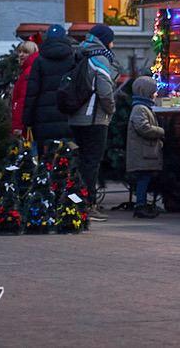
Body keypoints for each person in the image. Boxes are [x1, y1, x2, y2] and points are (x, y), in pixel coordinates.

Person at [70, 23, 120, 222]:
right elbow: (105, 91)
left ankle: (74, 202)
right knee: (91, 162)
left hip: (75, 117)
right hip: (94, 119)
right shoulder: (99, 58)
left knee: (80, 161)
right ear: (106, 40)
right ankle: (88, 204)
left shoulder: (80, 54)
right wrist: (111, 109)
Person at [22, 25, 77, 148]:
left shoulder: (39, 61)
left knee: (45, 157)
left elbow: (32, 93)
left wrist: (27, 121)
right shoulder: (73, 59)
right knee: (67, 156)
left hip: (42, 120)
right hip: (67, 117)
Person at [125, 75, 165, 219]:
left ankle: (142, 204)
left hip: (145, 152)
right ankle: (140, 205)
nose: (156, 94)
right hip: (143, 152)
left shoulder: (143, 107)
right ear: (147, 92)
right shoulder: (140, 108)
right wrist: (160, 131)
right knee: (143, 179)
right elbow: (143, 128)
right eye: (154, 91)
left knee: (145, 178)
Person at [9, 40, 40, 135]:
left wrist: (18, 126)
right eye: (20, 52)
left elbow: (23, 100)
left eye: (26, 52)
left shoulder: (28, 72)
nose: (21, 55)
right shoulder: (28, 70)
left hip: (24, 125)